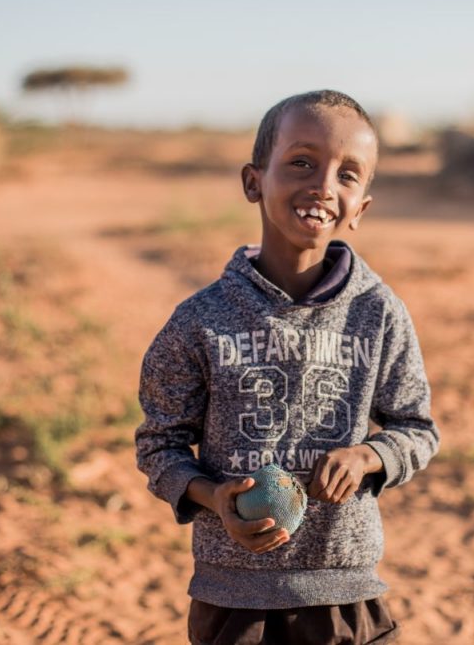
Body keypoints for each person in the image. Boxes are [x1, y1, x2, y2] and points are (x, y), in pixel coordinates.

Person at [135, 89, 439, 645]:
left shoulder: (378, 313)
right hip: (233, 599)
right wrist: (214, 498)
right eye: (302, 162)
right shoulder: (199, 321)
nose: (324, 185)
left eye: (349, 175)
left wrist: (369, 455)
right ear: (254, 181)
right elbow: (159, 445)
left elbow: (417, 430)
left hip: (344, 592)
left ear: (362, 207)